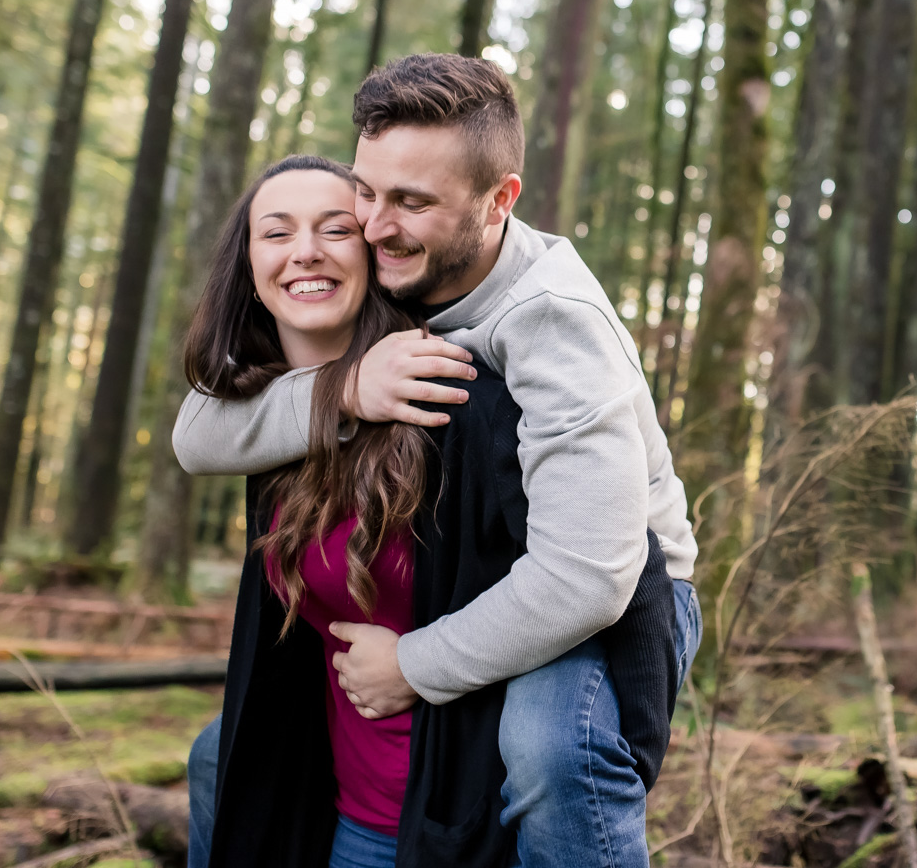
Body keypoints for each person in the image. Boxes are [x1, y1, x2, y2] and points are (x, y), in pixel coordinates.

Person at [177, 54, 701, 868]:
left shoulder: (551, 323)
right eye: (367, 194)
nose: (377, 226)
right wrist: (345, 388)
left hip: (626, 587)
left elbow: (591, 575)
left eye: (411, 203)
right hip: (541, 573)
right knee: (227, 749)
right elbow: (200, 433)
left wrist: (413, 666)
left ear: (500, 201)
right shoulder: (405, 265)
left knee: (549, 751)